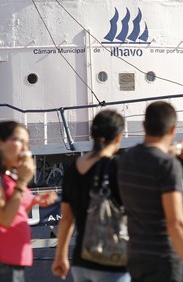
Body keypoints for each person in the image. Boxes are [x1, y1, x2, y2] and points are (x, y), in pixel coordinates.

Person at [117, 101, 183, 282]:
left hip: (135, 256)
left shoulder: (126, 160)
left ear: (144, 126)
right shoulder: (168, 165)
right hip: (163, 258)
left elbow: (150, 157)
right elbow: (176, 222)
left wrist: (176, 149)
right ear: (173, 130)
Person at [0, 120, 58, 282]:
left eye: (27, 143)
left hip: (13, 258)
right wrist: (22, 182)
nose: (25, 149)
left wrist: (34, 201)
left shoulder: (9, 176)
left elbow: (15, 212)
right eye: (19, 141)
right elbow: (5, 219)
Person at [52, 109, 130, 282]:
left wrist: (61, 256)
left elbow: (66, 219)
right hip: (113, 260)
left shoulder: (73, 169)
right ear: (118, 137)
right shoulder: (118, 167)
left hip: (82, 260)